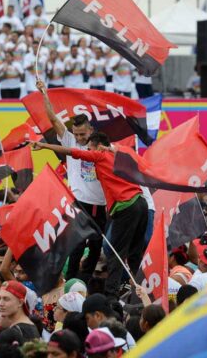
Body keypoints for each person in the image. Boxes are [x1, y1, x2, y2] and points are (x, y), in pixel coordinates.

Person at [32, 132, 148, 299]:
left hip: (126, 206)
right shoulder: (119, 155)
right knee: (135, 253)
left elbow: (73, 152)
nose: (87, 150)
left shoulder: (101, 155)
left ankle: (111, 297)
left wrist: (45, 146)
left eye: (89, 148)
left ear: (99, 146)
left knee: (116, 253)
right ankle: (141, 293)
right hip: (140, 203)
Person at [36, 80, 107, 281]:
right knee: (76, 245)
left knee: (95, 245)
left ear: (90, 130)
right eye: (75, 134)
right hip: (78, 202)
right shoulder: (69, 140)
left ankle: (84, 282)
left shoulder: (100, 145)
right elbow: (53, 119)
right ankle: (71, 280)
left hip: (100, 205)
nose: (78, 138)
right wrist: (44, 94)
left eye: (82, 134)